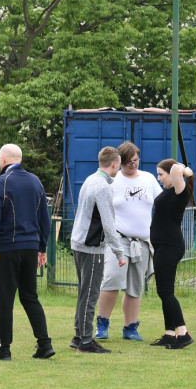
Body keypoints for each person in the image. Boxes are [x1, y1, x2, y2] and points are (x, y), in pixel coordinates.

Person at [0, 143, 55, 360]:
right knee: (30, 296)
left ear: (3, 159)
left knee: (5, 298)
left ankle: (4, 349)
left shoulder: (0, 183)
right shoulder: (35, 181)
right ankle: (44, 344)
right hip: (31, 247)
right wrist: (42, 247)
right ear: (19, 159)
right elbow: (44, 218)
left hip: (7, 248)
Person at [95, 141, 162, 341]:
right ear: (119, 163)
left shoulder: (148, 178)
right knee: (112, 280)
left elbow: (161, 202)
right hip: (118, 240)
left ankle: (130, 327)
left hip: (142, 241)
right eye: (128, 162)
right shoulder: (112, 181)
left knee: (135, 287)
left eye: (136, 161)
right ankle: (102, 324)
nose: (133, 165)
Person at [70, 146, 128, 354]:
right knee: (91, 294)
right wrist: (119, 253)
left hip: (79, 243)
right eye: (119, 164)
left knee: (83, 292)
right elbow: (108, 223)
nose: (119, 168)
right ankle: (86, 341)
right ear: (114, 164)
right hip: (91, 247)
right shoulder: (103, 187)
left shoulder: (89, 180)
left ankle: (79, 335)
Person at [149, 159, 195, 348]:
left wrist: (183, 169)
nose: (159, 178)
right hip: (162, 245)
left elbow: (176, 168)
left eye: (161, 174)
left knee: (166, 292)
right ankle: (169, 334)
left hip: (170, 245)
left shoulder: (179, 192)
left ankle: (182, 333)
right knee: (164, 292)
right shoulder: (170, 192)